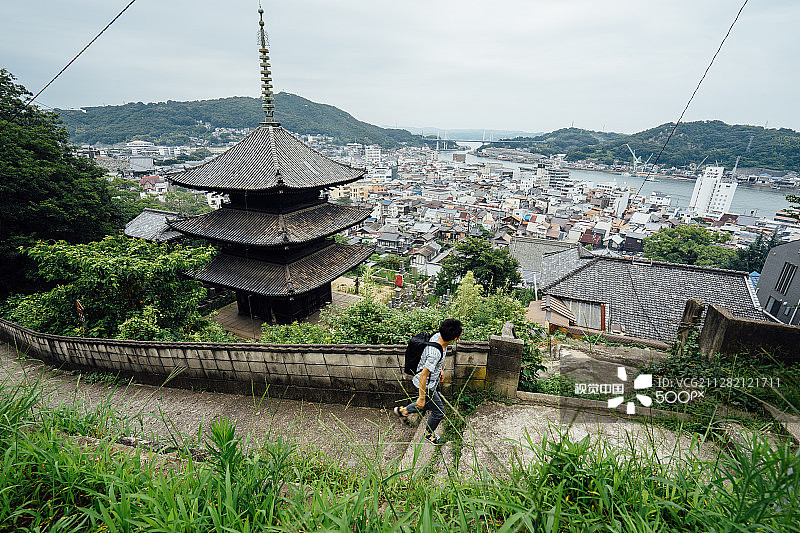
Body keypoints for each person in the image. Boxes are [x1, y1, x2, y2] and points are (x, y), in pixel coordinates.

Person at [394, 318, 463, 444]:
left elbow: (434, 363)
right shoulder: (435, 354)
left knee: (426, 404)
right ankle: (428, 434)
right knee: (438, 412)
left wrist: (440, 370)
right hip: (427, 385)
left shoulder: (438, 336)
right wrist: (421, 396)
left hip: (432, 379)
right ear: (455, 338)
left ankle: (402, 411)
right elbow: (423, 376)